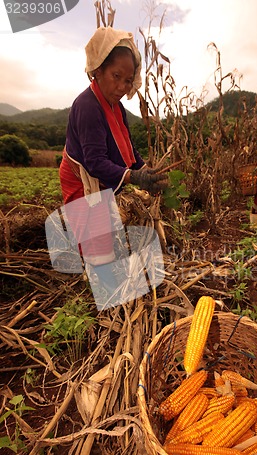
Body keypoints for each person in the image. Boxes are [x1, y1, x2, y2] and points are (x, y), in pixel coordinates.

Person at [58, 26, 167, 306]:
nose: (121, 86)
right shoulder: (86, 107)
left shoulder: (117, 107)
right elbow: (94, 162)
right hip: (80, 177)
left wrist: (147, 170)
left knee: (105, 228)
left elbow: (128, 149)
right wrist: (133, 177)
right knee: (93, 234)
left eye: (128, 81)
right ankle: (95, 282)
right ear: (98, 70)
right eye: (115, 77)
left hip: (101, 174)